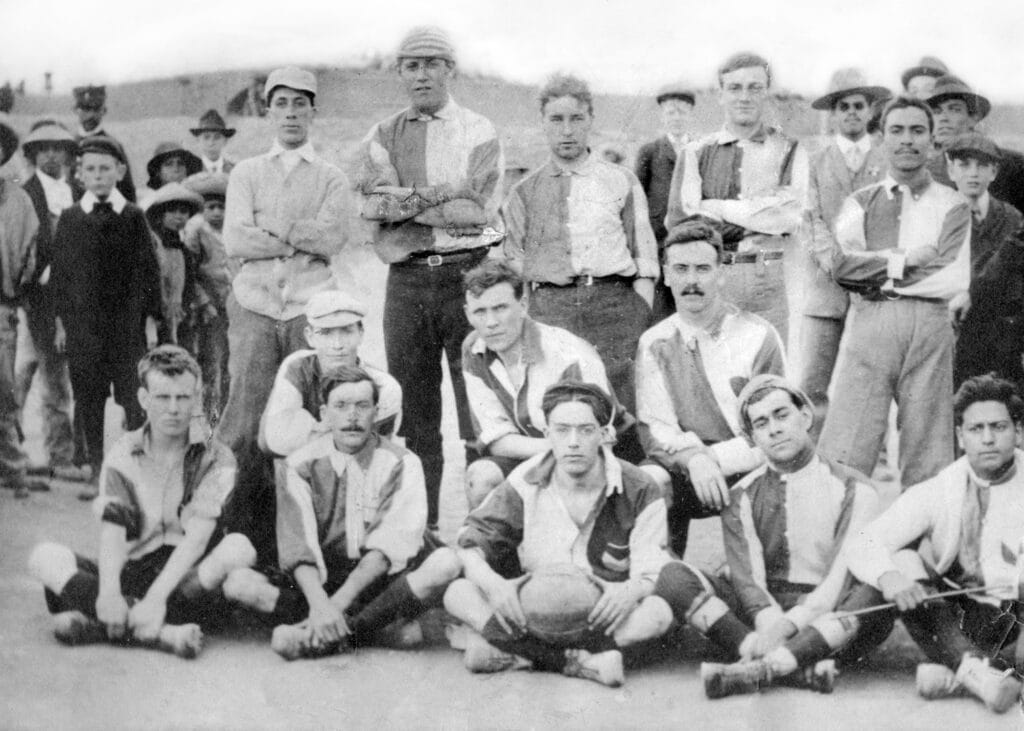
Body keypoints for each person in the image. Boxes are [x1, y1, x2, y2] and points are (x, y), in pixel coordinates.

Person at [654, 374, 887, 698]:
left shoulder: (856, 489)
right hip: (762, 618)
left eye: (782, 415)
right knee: (671, 576)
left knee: (881, 584)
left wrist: (787, 627)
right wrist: (770, 627)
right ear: (752, 438)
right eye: (761, 423)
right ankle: (791, 666)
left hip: (829, 613)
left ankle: (767, 666)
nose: (774, 429)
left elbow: (838, 582)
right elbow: (750, 586)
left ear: (805, 416)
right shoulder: (741, 496)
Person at [356, 26, 504, 533]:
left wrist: (407, 203)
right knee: (415, 411)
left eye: (431, 64)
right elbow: (372, 204)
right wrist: (443, 193)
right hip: (407, 281)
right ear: (400, 73)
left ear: (450, 69)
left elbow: (477, 212)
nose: (421, 74)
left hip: (469, 277)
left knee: (479, 408)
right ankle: (426, 531)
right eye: (411, 65)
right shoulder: (382, 133)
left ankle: (486, 533)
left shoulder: (479, 129)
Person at [25, 346, 255, 658]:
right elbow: (113, 533)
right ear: (144, 399)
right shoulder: (124, 451)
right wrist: (107, 593)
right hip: (134, 571)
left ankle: (105, 624)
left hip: (188, 579)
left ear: (196, 398)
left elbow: (197, 542)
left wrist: (156, 599)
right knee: (43, 557)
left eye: (183, 397)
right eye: (163, 398)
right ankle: (159, 634)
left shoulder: (217, 457)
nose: (173, 409)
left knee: (239, 548)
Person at [444, 380, 674, 687]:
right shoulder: (527, 478)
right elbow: (471, 543)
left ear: (605, 435)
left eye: (586, 430)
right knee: (457, 593)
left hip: (602, 617)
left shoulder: (640, 488)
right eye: (562, 430)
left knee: (659, 614)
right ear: (547, 434)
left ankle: (518, 656)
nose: (573, 442)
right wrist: (495, 586)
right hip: (533, 613)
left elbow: (653, 573)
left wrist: (630, 591)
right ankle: (578, 663)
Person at [222, 366, 461, 660]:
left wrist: (332, 609)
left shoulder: (403, 462)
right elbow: (300, 546)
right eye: (341, 406)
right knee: (238, 585)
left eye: (362, 406)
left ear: (376, 411)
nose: (352, 416)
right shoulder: (299, 464)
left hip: (378, 581)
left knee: (445, 563)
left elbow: (385, 552)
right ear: (324, 414)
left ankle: (329, 635)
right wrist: (321, 603)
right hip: (323, 580)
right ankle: (372, 630)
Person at [216, 66, 351, 564]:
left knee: (308, 417)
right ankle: (235, 533)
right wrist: (299, 235)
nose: (291, 113)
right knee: (246, 417)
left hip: (308, 307)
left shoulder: (331, 177)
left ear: (313, 111)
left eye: (301, 104)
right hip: (254, 305)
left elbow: (333, 238)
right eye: (282, 104)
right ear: (267, 110)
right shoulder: (247, 172)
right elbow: (235, 239)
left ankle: (307, 542)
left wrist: (274, 229)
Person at [846, 374, 1024, 714]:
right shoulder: (943, 488)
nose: (987, 439)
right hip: (960, 618)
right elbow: (864, 542)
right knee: (904, 561)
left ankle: (958, 676)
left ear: (1017, 430)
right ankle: (981, 674)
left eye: (999, 427)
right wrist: (890, 578)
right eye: (976, 429)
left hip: (1018, 617)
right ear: (960, 436)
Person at [819, 97, 970, 488]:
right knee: (845, 451)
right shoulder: (860, 202)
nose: (907, 140)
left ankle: (923, 549)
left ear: (932, 140)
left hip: (931, 327)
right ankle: (836, 545)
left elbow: (950, 276)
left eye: (917, 131)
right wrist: (902, 261)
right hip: (871, 324)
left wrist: (874, 271)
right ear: (882, 138)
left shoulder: (952, 204)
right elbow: (841, 267)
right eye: (897, 131)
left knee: (930, 456)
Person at [503, 73, 658, 415]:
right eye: (556, 119)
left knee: (620, 407)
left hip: (613, 306)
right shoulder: (523, 192)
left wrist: (637, 312)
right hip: (550, 309)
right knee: (558, 403)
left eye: (576, 119)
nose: (567, 130)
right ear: (543, 123)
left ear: (590, 120)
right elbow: (512, 258)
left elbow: (644, 255)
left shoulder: (621, 179)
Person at [635, 220, 786, 558]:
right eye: (681, 269)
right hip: (687, 470)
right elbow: (655, 429)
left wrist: (710, 459)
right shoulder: (654, 342)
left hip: (750, 464)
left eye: (703, 269)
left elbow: (774, 427)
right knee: (649, 481)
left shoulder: (758, 335)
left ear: (721, 273)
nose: (691, 281)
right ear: (666, 275)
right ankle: (666, 579)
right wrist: (693, 460)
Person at [460, 259, 638, 509]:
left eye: (500, 308)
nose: (490, 322)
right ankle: (488, 546)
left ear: (523, 305)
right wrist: (552, 450)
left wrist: (563, 452)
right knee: (481, 477)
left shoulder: (567, 352)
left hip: (602, 450)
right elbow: (497, 439)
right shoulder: (474, 348)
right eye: (480, 312)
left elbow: (598, 437)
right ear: (468, 313)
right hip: (541, 450)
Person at [665, 52, 808, 345]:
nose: (744, 97)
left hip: (770, 278)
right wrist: (761, 218)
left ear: (766, 92)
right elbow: (683, 224)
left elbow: (793, 216)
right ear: (720, 95)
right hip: (716, 277)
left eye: (754, 87)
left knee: (768, 377)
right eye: (735, 88)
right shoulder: (695, 152)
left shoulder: (789, 149)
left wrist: (716, 207)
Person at [50, 136, 162, 500]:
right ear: (79, 175)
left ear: (120, 171)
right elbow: (62, 275)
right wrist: (62, 323)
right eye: (90, 170)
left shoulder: (132, 216)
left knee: (133, 399)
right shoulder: (70, 219)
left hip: (126, 327)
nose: (98, 176)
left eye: (105, 168)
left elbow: (148, 272)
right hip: (84, 328)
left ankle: (134, 470)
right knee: (90, 399)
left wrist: (149, 322)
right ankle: (97, 469)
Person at [801, 71, 890, 411]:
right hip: (826, 290)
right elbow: (810, 219)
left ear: (870, 112)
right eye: (843, 106)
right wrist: (836, 263)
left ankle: (870, 462)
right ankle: (808, 458)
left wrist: (868, 267)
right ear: (834, 114)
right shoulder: (814, 162)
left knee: (871, 383)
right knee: (812, 385)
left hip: (874, 288)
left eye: (858, 105)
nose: (851, 112)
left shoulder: (888, 160)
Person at [260, 290, 401, 457]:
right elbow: (276, 440)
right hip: (305, 468)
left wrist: (313, 429)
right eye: (326, 333)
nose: (337, 344)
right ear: (310, 336)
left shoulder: (383, 385)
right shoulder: (297, 366)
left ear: (360, 334)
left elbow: (367, 454)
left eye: (347, 331)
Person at [18, 122, 81, 479]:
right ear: (33, 155)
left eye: (59, 148)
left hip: (73, 296)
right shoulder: (24, 194)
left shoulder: (77, 191)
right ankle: (55, 455)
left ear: (69, 155)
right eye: (44, 149)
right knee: (37, 375)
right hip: (35, 296)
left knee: (49, 373)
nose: (52, 155)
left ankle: (57, 453)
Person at [945, 133, 1024, 389]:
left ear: (994, 172)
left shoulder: (1011, 217)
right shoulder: (936, 215)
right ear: (951, 169)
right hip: (955, 333)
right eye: (964, 165)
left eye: (982, 166)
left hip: (1001, 335)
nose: (973, 173)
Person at [0, 119, 48, 498]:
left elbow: (32, 252)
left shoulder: (19, 200)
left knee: (4, 388)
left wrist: (19, 287)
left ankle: (11, 465)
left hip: (3, 306)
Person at [635, 83, 696, 320]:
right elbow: (638, 199)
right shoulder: (650, 152)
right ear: (662, 116)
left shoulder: (700, 149)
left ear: (691, 115)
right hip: (659, 241)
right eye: (671, 112)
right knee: (661, 308)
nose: (677, 118)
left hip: (691, 236)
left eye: (682, 112)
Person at [925, 75, 1024, 216]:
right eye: (936, 112)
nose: (943, 118)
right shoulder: (925, 172)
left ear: (974, 117)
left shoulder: (1013, 165)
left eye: (954, 109)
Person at [183, 172, 233, 418]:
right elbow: (189, 273)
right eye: (211, 207)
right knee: (212, 362)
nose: (216, 213)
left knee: (230, 364)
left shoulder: (233, 228)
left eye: (221, 207)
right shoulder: (196, 230)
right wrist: (203, 303)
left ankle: (226, 414)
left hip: (234, 304)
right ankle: (210, 416)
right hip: (209, 307)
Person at [145, 183, 204, 348]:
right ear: (160, 214)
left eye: (183, 212)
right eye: (172, 211)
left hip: (177, 315)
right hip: (154, 315)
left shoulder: (182, 248)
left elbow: (188, 283)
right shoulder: (151, 243)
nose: (178, 216)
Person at [71, 85, 136, 202]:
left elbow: (127, 191)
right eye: (85, 109)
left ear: (104, 111)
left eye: (96, 109)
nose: (91, 115)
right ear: (76, 110)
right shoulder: (69, 145)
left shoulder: (113, 146)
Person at [139, 142, 202, 209]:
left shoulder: (197, 200)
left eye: (181, 163)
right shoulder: (149, 201)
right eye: (169, 164)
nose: (176, 168)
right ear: (158, 172)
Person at [189, 110, 235, 175]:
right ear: (198, 140)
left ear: (225, 141)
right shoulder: (190, 170)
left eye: (217, 137)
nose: (211, 143)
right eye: (206, 137)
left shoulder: (234, 170)